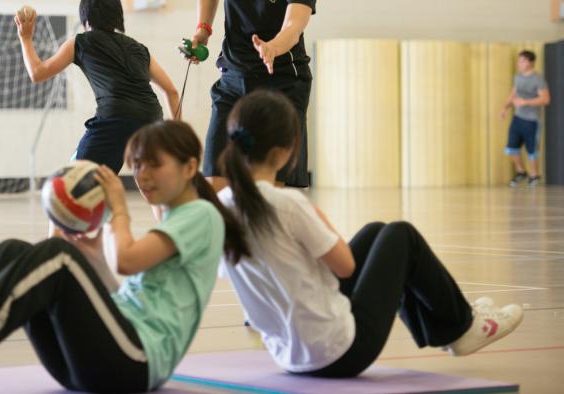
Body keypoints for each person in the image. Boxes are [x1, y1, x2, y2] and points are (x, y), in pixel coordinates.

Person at [0, 121, 246, 392]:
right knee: (18, 249)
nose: (142, 176)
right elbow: (124, 293)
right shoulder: (176, 220)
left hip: (134, 363)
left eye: (154, 165)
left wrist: (118, 208)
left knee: (58, 256)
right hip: (91, 363)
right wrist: (93, 258)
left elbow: (127, 261)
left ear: (190, 167)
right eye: (137, 166)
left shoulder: (201, 215)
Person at [218, 90, 524, 378]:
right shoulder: (287, 204)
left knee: (376, 232)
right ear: (284, 152)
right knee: (402, 236)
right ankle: (463, 327)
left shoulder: (222, 205)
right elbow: (345, 266)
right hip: (340, 353)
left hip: (288, 354)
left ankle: (451, 329)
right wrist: (318, 218)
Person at [189, 0, 317, 189]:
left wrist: (274, 47)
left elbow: (295, 24)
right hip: (234, 77)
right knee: (215, 178)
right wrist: (203, 30)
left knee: (271, 188)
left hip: (282, 82)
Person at [16, 0, 181, 173]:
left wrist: (26, 38)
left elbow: (37, 73)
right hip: (151, 119)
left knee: (76, 177)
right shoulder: (139, 49)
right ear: (117, 16)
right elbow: (172, 92)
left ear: (86, 20)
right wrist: (177, 134)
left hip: (114, 118)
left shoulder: (81, 42)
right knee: (150, 182)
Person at [500, 50, 550, 187]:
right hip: (518, 118)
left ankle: (535, 175)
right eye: (519, 60)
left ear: (531, 62)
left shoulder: (538, 79)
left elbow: (545, 99)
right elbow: (513, 94)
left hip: (531, 120)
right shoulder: (517, 77)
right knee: (511, 147)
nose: (519, 63)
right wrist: (505, 107)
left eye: (523, 61)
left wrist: (526, 102)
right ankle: (521, 171)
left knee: (532, 150)